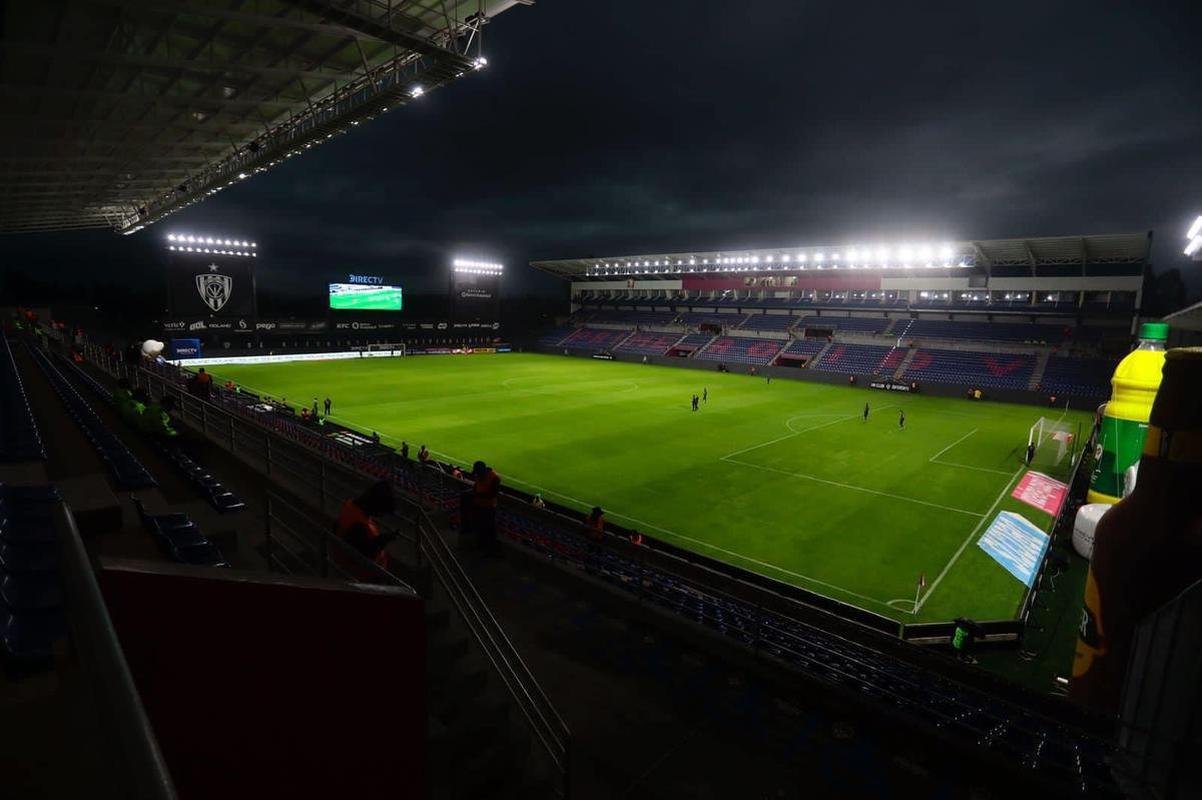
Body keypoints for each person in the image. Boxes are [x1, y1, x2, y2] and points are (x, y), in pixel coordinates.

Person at [335, 480, 396, 568]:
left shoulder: (351, 506)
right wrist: (381, 541)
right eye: (382, 511)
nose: (382, 515)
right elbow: (362, 556)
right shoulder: (359, 526)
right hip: (360, 576)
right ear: (376, 504)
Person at [471, 461, 501, 553]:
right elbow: (476, 487)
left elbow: (492, 494)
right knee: (480, 527)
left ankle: (490, 549)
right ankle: (480, 546)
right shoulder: (479, 475)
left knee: (489, 528)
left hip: (489, 508)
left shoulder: (494, 478)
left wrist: (478, 495)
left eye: (478, 472)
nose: (477, 475)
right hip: (479, 506)